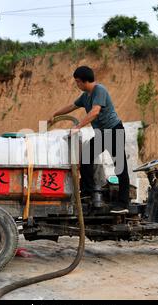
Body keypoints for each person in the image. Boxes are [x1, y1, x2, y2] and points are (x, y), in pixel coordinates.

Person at [48, 66, 130, 213]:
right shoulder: (85, 96)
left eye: (77, 82)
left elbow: (95, 112)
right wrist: (55, 114)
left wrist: (78, 126)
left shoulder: (99, 90)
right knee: (85, 156)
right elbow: (72, 106)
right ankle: (88, 192)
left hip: (114, 130)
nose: (77, 84)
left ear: (85, 81)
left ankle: (123, 203)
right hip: (102, 134)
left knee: (120, 166)